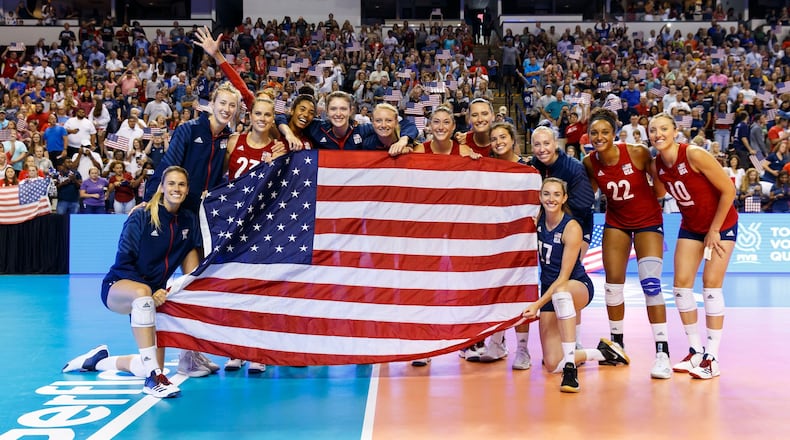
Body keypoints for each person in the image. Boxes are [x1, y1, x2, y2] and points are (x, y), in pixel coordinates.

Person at [63, 166, 201, 398]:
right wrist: (153, 290)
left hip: (152, 295)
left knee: (147, 363)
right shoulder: (142, 215)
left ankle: (97, 361)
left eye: (181, 185)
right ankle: (153, 380)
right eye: (171, 184)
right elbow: (124, 262)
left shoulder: (188, 221)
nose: (176, 189)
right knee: (142, 294)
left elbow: (191, 273)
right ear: (161, 188)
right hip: (120, 286)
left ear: (187, 190)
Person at [142, 81, 241, 376]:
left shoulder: (225, 138)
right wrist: (151, 203)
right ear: (211, 104)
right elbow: (169, 169)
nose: (226, 109)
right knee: (175, 283)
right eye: (222, 103)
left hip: (202, 219)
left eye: (232, 106)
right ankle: (174, 357)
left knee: (194, 284)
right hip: (175, 216)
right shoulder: (188, 130)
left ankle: (191, 353)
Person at [582, 108, 671, 379]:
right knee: (612, 285)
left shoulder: (637, 152)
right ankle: (617, 344)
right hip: (616, 222)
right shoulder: (589, 162)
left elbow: (660, 190)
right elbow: (590, 194)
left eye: (604, 132)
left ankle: (662, 351)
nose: (599, 137)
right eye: (594, 133)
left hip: (647, 222)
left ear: (614, 133)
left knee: (651, 284)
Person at [650, 113, 739, 380]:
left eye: (664, 128)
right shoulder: (658, 164)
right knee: (680, 286)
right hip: (691, 225)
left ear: (675, 131)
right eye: (653, 130)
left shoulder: (694, 155)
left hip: (720, 225)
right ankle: (695, 350)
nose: (658, 134)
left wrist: (714, 230)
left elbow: (729, 191)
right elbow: (659, 193)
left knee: (711, 286)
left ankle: (712, 356)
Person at [521, 177, 630, 393]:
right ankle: (604, 353)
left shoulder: (571, 228)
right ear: (540, 196)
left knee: (561, 292)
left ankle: (571, 368)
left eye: (556, 194)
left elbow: (563, 278)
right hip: (550, 291)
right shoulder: (539, 219)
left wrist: (536, 305)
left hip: (576, 286)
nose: (551, 199)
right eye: (546, 194)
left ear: (564, 198)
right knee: (552, 363)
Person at [528, 125, 595, 348]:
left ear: (556, 144)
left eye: (546, 143)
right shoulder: (534, 166)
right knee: (552, 274)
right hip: (551, 222)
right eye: (537, 144)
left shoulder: (573, 168)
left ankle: (575, 341)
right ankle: (560, 329)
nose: (542, 148)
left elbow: (585, 204)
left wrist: (554, 220)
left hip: (578, 226)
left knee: (568, 278)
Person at [482, 122, 534, 369]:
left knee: (520, 293)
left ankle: (522, 349)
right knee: (496, 290)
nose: (498, 141)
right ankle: (497, 340)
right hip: (495, 239)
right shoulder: (488, 168)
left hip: (522, 239)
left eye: (503, 136)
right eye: (493, 138)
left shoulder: (529, 167)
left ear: (513, 139)